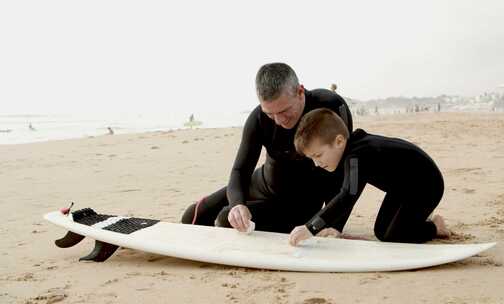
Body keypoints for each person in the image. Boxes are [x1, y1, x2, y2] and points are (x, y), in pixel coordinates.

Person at [181, 63, 353, 234]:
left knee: (225, 220)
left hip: (300, 204)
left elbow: (346, 170)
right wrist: (237, 204)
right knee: (192, 216)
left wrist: (333, 223)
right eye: (271, 114)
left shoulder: (330, 107)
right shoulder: (258, 118)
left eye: (285, 111)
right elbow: (240, 170)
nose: (279, 120)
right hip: (262, 184)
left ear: (300, 92)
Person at [289, 108, 450, 246]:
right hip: (402, 189)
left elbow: (347, 195)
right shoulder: (351, 151)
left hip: (427, 185)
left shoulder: (357, 157)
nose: (317, 164)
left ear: (339, 141)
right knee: (381, 232)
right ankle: (418, 219)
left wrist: (311, 227)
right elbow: (347, 192)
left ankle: (435, 226)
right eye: (312, 158)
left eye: (318, 155)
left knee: (395, 237)